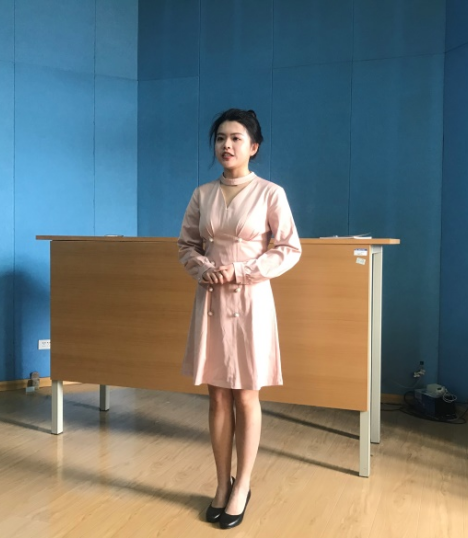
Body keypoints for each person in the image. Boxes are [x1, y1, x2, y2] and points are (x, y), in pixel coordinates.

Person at [177, 109, 302, 529]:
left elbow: (288, 249)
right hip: (211, 299)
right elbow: (186, 246)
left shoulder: (270, 193)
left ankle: (243, 484)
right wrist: (202, 267)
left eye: (235, 138)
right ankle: (221, 483)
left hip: (251, 302)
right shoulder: (202, 194)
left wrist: (241, 271)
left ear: (254, 147)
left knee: (246, 396)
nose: (226, 145)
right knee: (216, 396)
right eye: (220, 138)